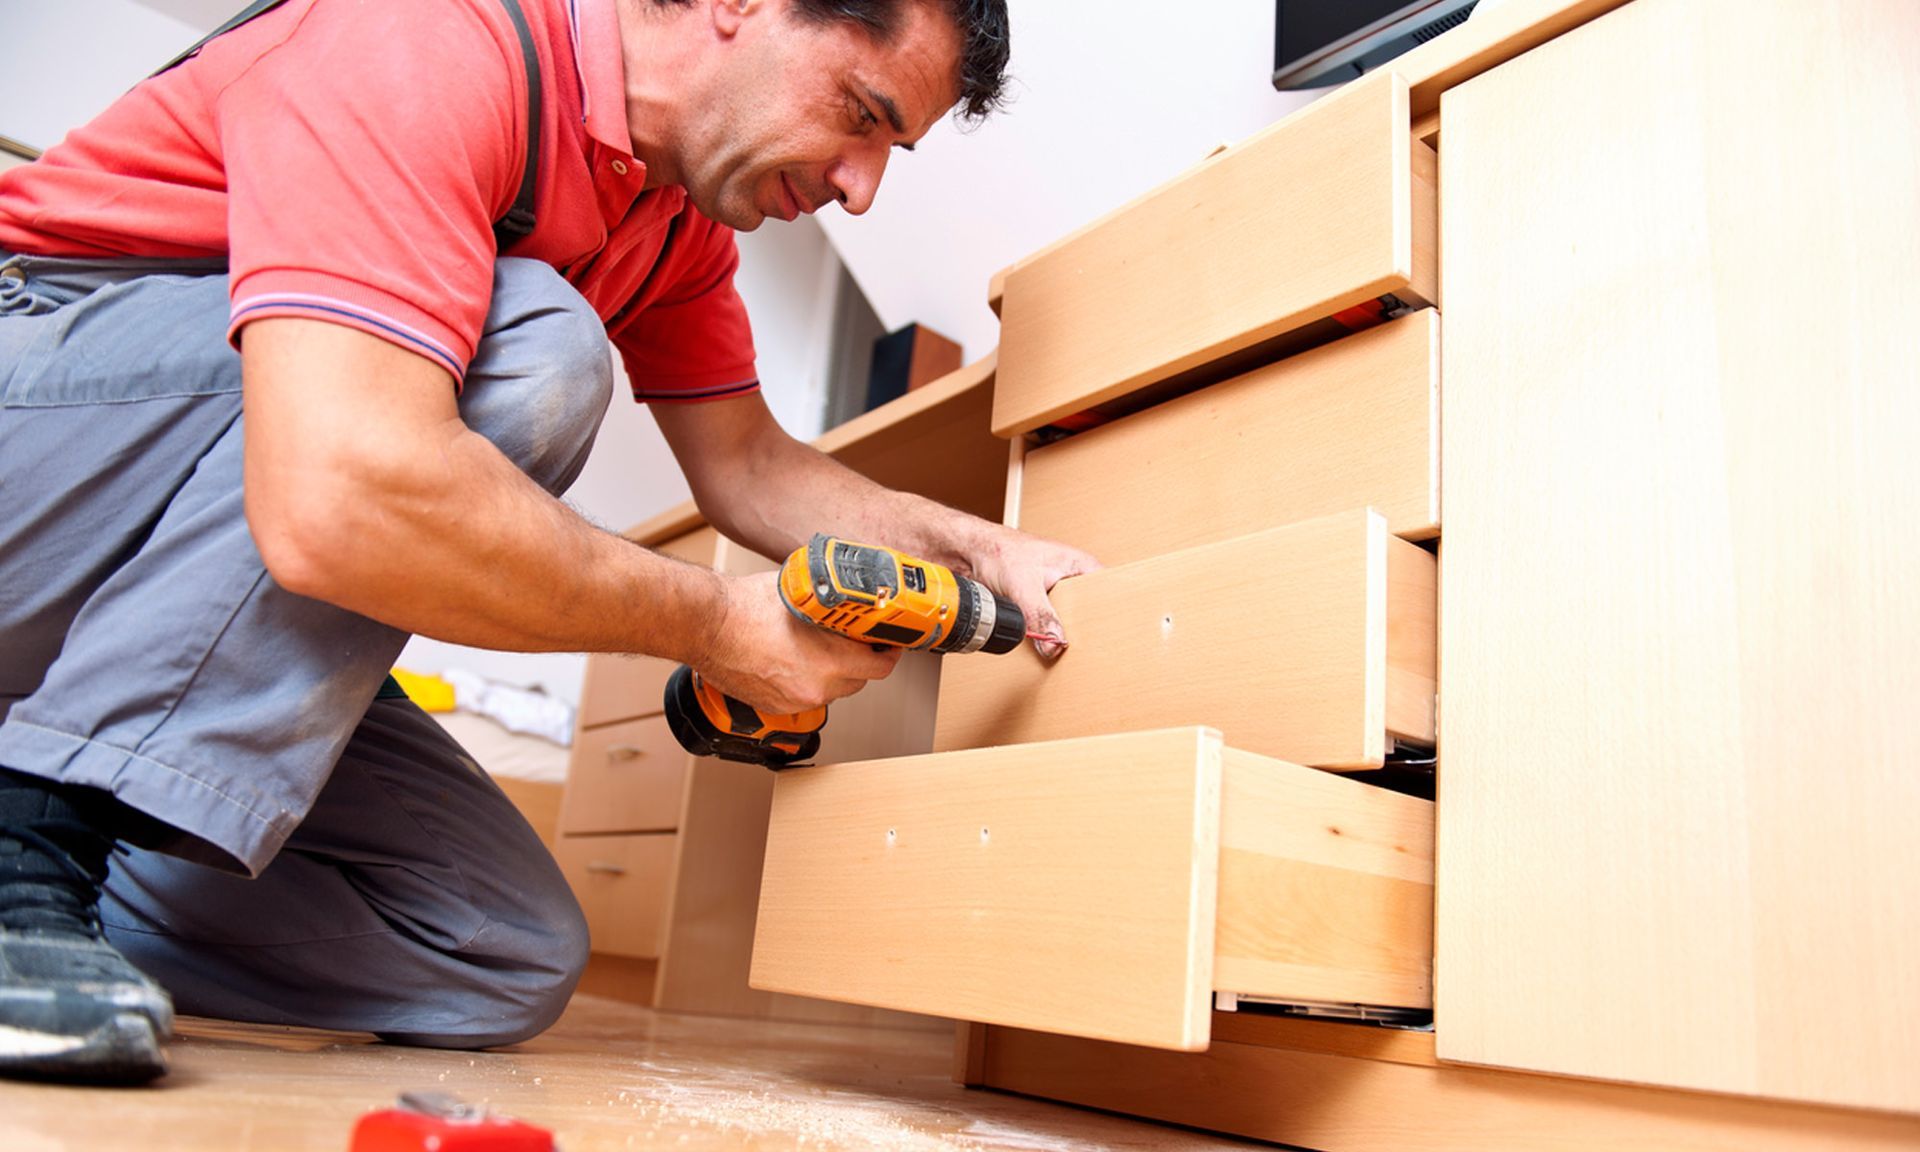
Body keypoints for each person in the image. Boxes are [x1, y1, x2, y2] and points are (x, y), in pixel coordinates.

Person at [0, 0, 1096, 1084]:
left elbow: (751, 467)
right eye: (862, 115)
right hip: (44, 425)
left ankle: (60, 874)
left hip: (149, 560)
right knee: (530, 351)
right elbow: (336, 491)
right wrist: (717, 624)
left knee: (494, 950)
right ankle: (24, 861)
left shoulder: (673, 221)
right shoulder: (428, 36)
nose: (861, 187)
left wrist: (981, 549)